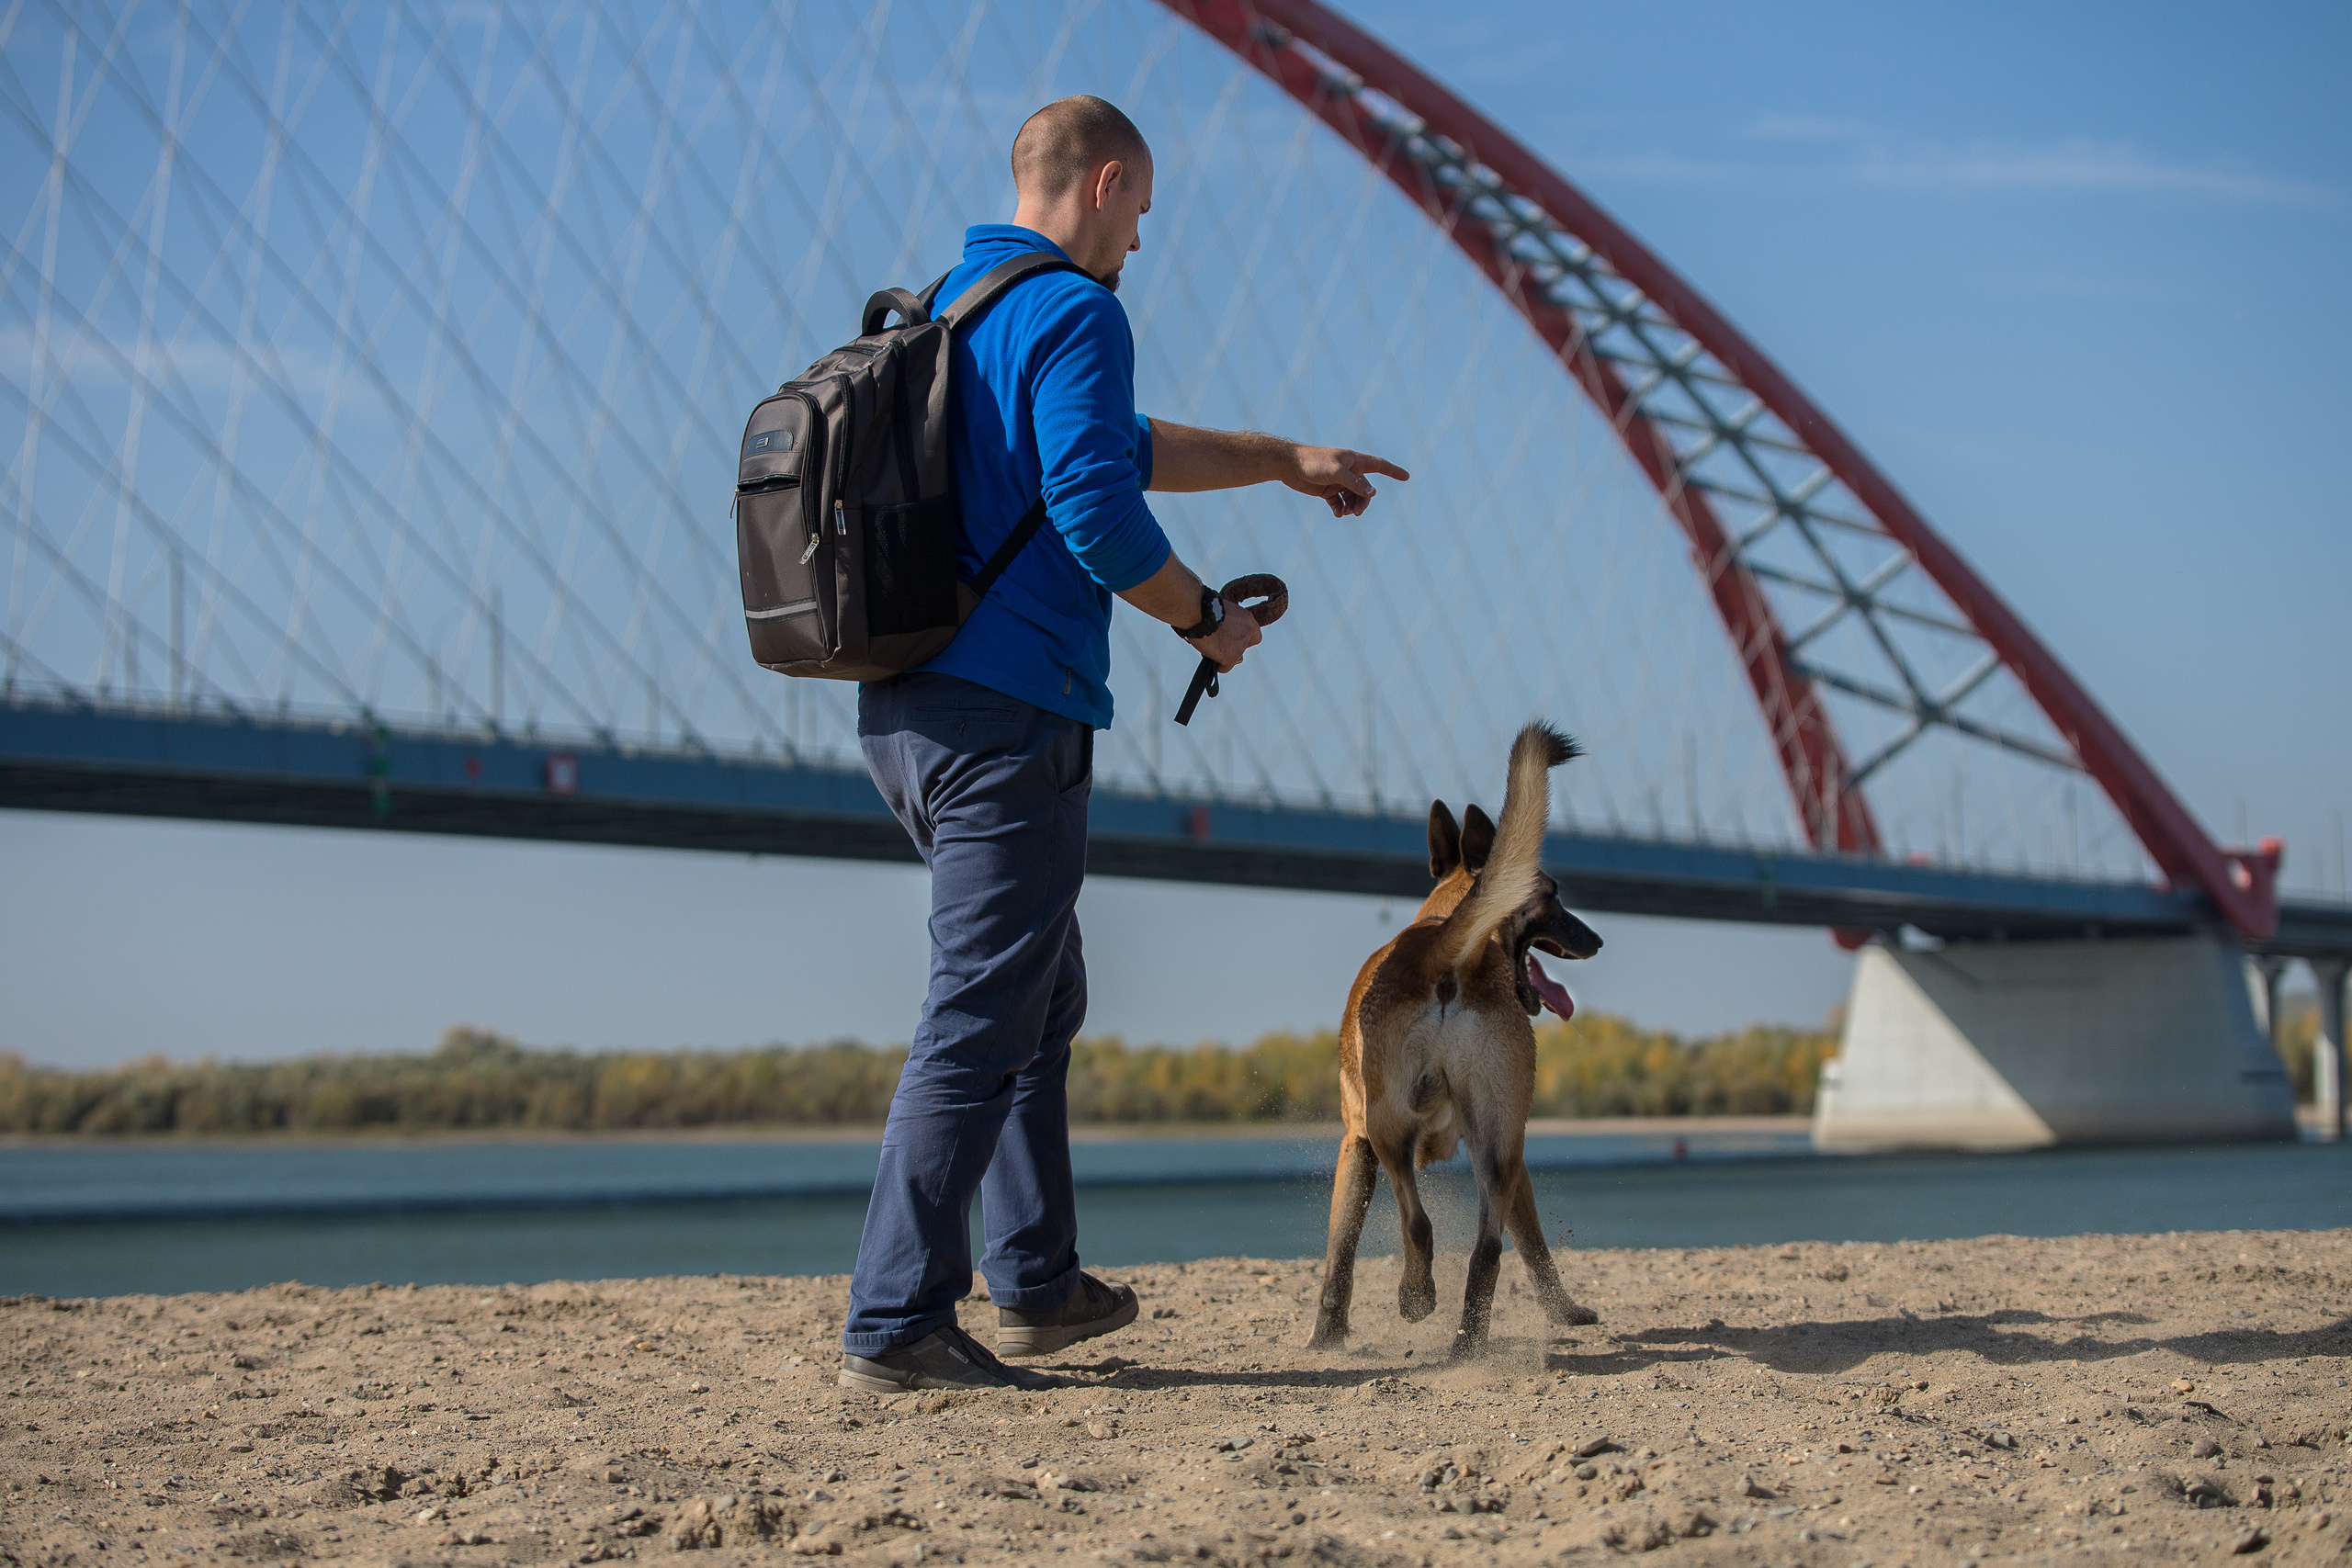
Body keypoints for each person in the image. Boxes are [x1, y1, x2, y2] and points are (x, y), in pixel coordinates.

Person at [838, 95, 1409, 1394]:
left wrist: (1280, 458)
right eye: (1142, 213)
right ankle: (897, 1325)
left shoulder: (957, 307)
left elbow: (1115, 450)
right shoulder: (1081, 310)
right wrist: (1203, 618)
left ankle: (1036, 1282)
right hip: (1008, 712)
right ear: (1102, 185)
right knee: (984, 1007)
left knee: (1039, 992)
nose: (1142, 243)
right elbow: (1097, 502)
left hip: (912, 710)